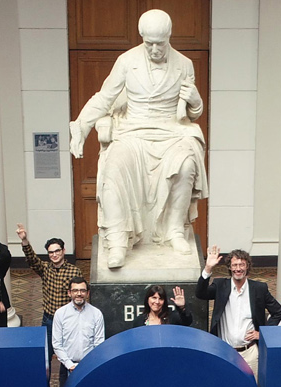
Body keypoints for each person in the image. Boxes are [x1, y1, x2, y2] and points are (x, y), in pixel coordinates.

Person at [67, 7, 205, 263]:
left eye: (159, 44)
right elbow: (104, 97)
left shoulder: (184, 65)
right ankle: (118, 238)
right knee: (114, 166)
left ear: (169, 37)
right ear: (142, 38)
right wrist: (81, 126)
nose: (154, 49)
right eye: (149, 43)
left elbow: (191, 113)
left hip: (169, 131)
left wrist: (196, 101)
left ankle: (174, 230)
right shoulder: (126, 61)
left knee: (187, 164)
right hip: (132, 130)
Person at [198, 246, 281, 387]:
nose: (238, 268)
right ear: (229, 267)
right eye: (234, 265)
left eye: (241, 264)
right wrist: (208, 269)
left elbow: (278, 311)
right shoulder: (220, 286)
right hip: (224, 351)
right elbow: (200, 293)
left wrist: (262, 333)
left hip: (250, 352)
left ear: (247, 267)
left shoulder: (258, 289)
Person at [16, 225, 82, 331]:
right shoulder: (45, 268)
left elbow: (80, 294)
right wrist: (24, 240)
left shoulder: (74, 271)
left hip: (68, 317)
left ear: (63, 251)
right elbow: (31, 258)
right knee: (48, 346)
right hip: (49, 318)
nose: (54, 255)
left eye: (57, 251)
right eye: (51, 252)